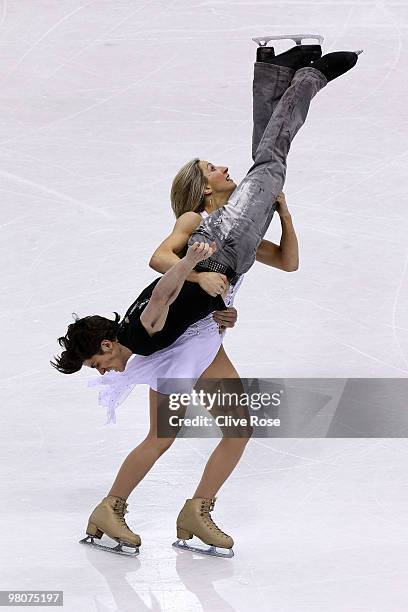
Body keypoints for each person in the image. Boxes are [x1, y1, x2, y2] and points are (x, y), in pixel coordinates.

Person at [52, 41, 361, 557]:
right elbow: (165, 282)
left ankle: (174, 510)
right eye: (98, 362)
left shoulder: (141, 326)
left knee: (214, 429)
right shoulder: (187, 235)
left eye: (98, 360)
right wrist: (198, 272)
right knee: (270, 160)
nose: (103, 368)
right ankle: (305, 77)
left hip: (196, 331)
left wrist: (209, 280)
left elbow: (270, 267)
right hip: (206, 297)